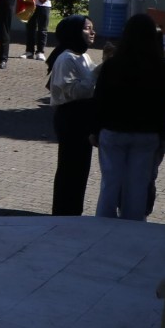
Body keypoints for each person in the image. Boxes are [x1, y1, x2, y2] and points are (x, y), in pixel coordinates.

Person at [93, 13, 165, 221]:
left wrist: (94, 129)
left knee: (110, 183)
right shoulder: (162, 67)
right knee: (137, 186)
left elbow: (100, 99)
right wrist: (163, 134)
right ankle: (132, 227)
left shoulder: (113, 65)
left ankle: (102, 224)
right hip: (147, 132)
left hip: (113, 129)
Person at [45, 14, 99, 216]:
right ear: (75, 32)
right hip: (71, 117)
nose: (92, 32)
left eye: (92, 28)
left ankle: (74, 211)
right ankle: (63, 211)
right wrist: (100, 71)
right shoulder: (66, 58)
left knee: (80, 168)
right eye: (87, 28)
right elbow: (74, 91)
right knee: (70, 166)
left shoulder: (83, 56)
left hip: (83, 118)